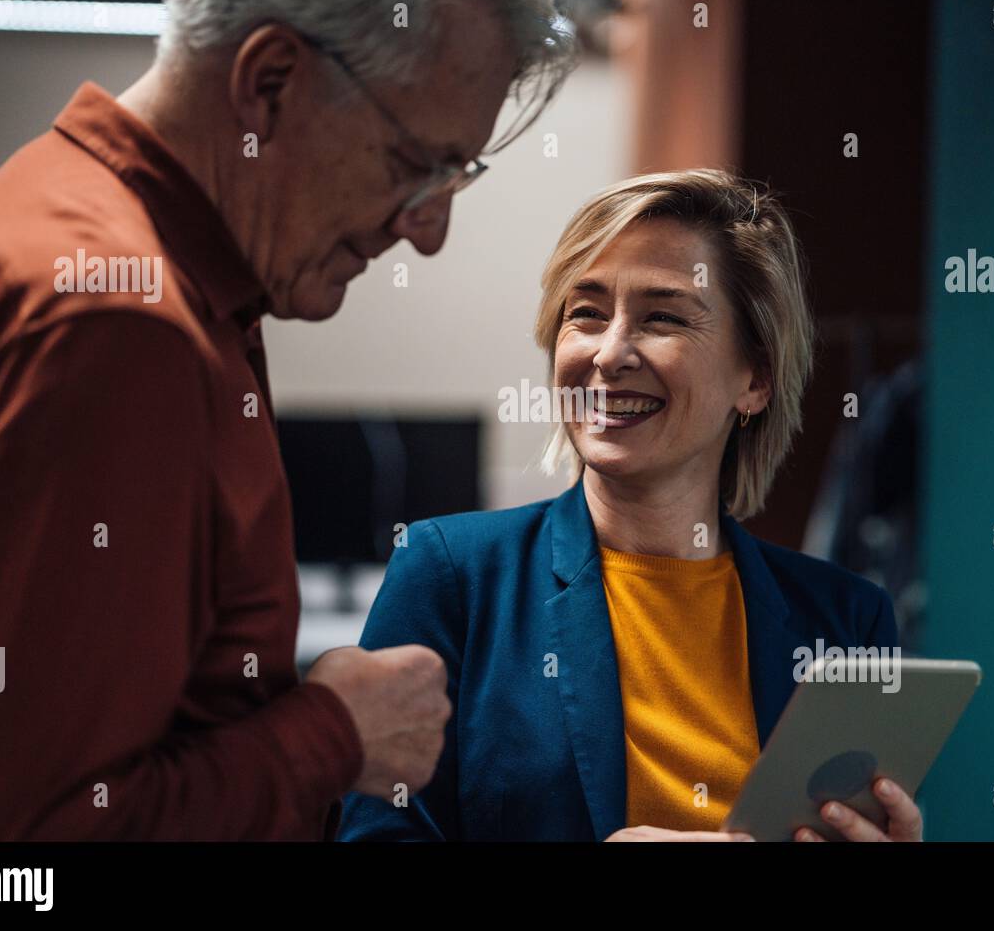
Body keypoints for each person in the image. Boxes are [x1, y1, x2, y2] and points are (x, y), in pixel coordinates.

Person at [0, 0, 574, 839]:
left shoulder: (79, 231)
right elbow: (29, 851)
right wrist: (335, 734)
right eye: (416, 167)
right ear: (270, 83)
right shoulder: (113, 323)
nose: (428, 230)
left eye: (458, 176)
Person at [338, 169, 921, 841]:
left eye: (663, 317)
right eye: (584, 313)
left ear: (754, 378)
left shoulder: (848, 619)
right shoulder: (452, 577)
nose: (609, 354)